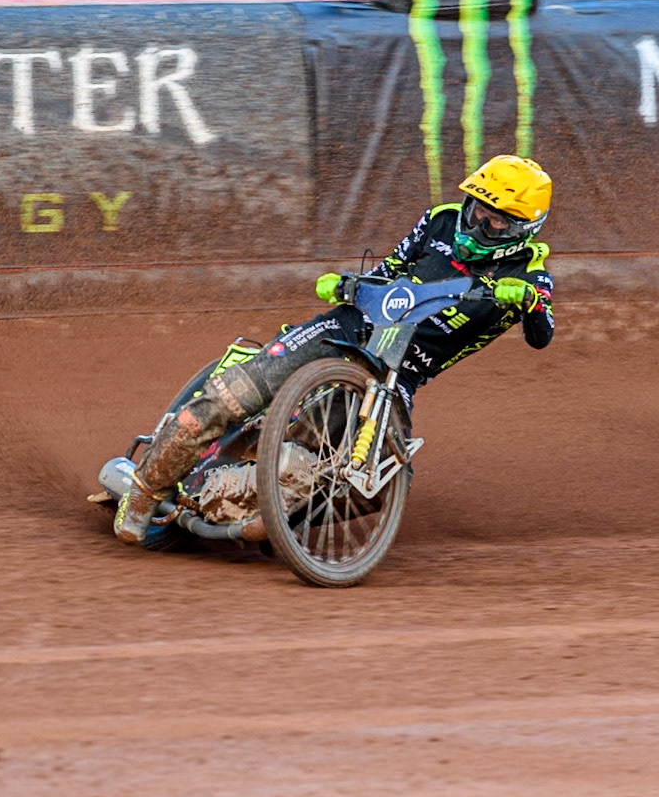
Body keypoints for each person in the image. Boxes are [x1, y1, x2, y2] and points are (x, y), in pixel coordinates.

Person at [113, 154, 557, 546]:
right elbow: (390, 269)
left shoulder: (531, 274)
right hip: (349, 325)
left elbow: (543, 335)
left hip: (400, 371)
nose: (480, 223)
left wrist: (530, 301)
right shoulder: (440, 219)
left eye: (497, 220)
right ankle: (144, 491)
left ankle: (268, 516)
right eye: (478, 209)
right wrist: (348, 284)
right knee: (232, 396)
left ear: (523, 229)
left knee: (373, 486)